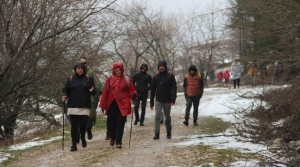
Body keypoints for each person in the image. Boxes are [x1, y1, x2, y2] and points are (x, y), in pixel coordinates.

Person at [99, 62, 137, 148]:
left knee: (120, 122)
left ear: (122, 70)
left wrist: (134, 95)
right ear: (114, 70)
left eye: (119, 70)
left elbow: (132, 91)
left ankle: (118, 141)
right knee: (111, 122)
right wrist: (103, 104)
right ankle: (113, 137)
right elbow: (106, 92)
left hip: (123, 104)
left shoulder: (127, 80)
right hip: (112, 103)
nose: (118, 72)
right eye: (116, 70)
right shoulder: (109, 80)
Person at [62, 61, 96, 151]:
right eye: (78, 68)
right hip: (73, 104)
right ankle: (74, 145)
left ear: (84, 69)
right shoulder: (70, 79)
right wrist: (64, 95)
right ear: (75, 69)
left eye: (81, 68)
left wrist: (92, 90)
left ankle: (83, 138)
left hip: (84, 105)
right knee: (74, 126)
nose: (80, 70)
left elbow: (94, 91)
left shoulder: (88, 78)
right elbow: (65, 89)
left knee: (83, 125)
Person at [150, 60, 177, 140]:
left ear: (165, 67)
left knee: (167, 117)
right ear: (158, 67)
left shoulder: (170, 76)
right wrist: (151, 102)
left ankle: (168, 132)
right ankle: (156, 133)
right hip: (158, 99)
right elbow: (153, 90)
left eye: (163, 66)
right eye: (160, 66)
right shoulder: (155, 77)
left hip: (167, 100)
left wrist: (173, 99)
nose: (161, 68)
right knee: (157, 116)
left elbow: (174, 88)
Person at [79, 57, 103, 140]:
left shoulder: (91, 72)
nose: (83, 65)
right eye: (81, 63)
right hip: (79, 99)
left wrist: (96, 93)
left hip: (90, 98)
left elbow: (98, 85)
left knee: (91, 116)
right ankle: (80, 134)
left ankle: (88, 128)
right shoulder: (74, 73)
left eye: (85, 63)